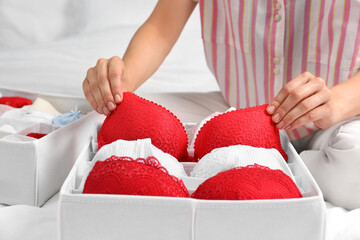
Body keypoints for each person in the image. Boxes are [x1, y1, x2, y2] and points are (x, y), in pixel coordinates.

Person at [82, 0, 360, 209]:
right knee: (94, 124)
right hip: (232, 113)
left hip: (337, 116)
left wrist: (336, 103)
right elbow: (160, 29)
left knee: (354, 164)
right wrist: (118, 83)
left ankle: (292, 165)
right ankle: (227, 160)